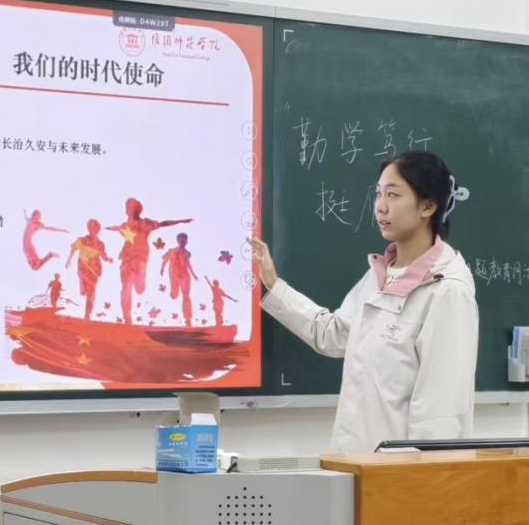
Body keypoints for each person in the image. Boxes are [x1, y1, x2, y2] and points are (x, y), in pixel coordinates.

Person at [250, 152, 478, 454]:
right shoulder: (381, 275)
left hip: (401, 473)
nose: (381, 206)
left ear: (428, 206)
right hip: (355, 462)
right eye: (378, 194)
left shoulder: (447, 292)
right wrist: (274, 285)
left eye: (393, 195)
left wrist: (419, 479)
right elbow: (332, 334)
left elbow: (439, 415)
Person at [108, 198, 191, 325]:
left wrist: (180, 221)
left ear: (138, 209)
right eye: (127, 207)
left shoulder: (145, 223)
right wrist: (107, 229)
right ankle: (127, 317)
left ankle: (139, 272)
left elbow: (163, 224)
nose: (128, 210)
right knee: (125, 287)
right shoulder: (125, 226)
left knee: (139, 289)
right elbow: (117, 228)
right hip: (127, 258)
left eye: (131, 207)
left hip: (140, 257)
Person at [65, 220, 114, 321]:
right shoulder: (82, 240)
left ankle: (87, 315)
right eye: (90, 227)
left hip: (95, 268)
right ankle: (82, 282)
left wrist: (108, 259)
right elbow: (73, 248)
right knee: (83, 292)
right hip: (83, 266)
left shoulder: (100, 244)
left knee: (91, 293)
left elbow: (103, 256)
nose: (91, 229)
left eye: (94, 227)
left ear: (98, 229)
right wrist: (69, 259)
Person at [160, 233, 199, 326]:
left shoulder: (188, 253)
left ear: (187, 241)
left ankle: (188, 319)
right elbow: (165, 259)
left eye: (185, 240)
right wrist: (162, 268)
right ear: (178, 240)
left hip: (185, 275)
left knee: (186, 296)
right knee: (174, 295)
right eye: (181, 239)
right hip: (175, 275)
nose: (183, 241)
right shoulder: (172, 251)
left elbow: (188, 264)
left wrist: (193, 274)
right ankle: (173, 292)